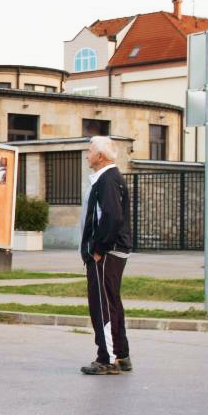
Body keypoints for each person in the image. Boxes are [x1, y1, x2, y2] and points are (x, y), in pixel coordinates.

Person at [80, 135, 133, 375]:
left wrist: (98, 249)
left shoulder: (108, 180)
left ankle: (107, 359)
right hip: (113, 251)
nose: (87, 154)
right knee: (112, 302)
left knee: (102, 305)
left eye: (89, 150)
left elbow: (112, 217)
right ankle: (121, 355)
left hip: (107, 253)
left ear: (100, 155)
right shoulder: (109, 178)